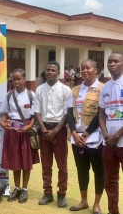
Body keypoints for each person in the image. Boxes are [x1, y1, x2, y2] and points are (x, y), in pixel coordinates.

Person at [67, 59, 104, 214]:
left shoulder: (103, 88)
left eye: (88, 68)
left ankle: (96, 203)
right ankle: (83, 201)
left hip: (96, 137)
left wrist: (86, 133)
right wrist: (74, 133)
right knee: (82, 169)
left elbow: (100, 114)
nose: (84, 71)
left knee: (98, 170)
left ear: (96, 70)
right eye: (82, 68)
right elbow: (69, 112)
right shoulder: (74, 90)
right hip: (77, 137)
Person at [0, 68, 39, 203]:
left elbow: (34, 115)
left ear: (24, 79)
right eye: (14, 79)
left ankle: (25, 189)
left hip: (26, 129)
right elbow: (5, 113)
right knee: (15, 160)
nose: (16, 81)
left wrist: (28, 127)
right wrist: (2, 121)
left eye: (19, 79)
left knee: (26, 161)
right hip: (12, 130)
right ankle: (16, 188)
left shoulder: (31, 95)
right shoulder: (9, 95)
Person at [34, 61, 71, 208]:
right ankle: (47, 193)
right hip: (44, 129)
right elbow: (37, 111)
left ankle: (62, 194)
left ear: (59, 73)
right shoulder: (39, 89)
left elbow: (67, 113)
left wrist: (55, 131)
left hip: (59, 130)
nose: (50, 72)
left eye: (53, 70)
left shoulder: (65, 90)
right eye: (48, 70)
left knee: (62, 165)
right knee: (46, 164)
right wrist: (43, 129)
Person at [99, 52, 123, 214]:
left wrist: (116, 135)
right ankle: (112, 211)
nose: (112, 64)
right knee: (110, 180)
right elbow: (101, 113)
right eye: (109, 62)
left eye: (116, 61)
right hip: (108, 143)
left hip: (121, 141)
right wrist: (106, 134)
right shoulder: (105, 86)